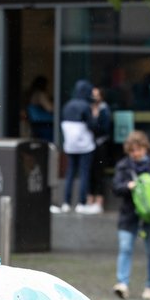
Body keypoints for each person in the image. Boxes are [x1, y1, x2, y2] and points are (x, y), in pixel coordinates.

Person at [111, 130, 150, 300]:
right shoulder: (123, 166)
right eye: (132, 151)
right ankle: (122, 283)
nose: (135, 154)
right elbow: (116, 188)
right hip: (129, 214)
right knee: (125, 247)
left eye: (138, 150)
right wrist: (128, 186)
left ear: (145, 148)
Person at [55, 79, 96, 215]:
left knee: (70, 173)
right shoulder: (85, 105)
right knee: (84, 173)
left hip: (70, 145)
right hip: (85, 145)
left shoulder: (67, 105)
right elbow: (92, 125)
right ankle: (81, 203)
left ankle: (66, 202)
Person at [81, 86, 112, 215]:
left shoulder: (104, 109)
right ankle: (90, 200)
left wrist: (94, 118)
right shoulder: (88, 108)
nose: (94, 98)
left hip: (101, 144)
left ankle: (98, 202)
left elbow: (103, 128)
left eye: (96, 95)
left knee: (99, 173)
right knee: (90, 172)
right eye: (92, 95)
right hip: (89, 144)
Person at [25, 75, 54, 143]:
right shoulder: (40, 94)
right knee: (47, 143)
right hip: (44, 124)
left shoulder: (32, 93)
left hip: (35, 123)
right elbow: (50, 108)